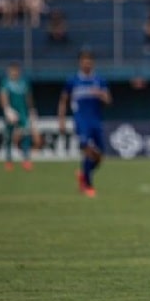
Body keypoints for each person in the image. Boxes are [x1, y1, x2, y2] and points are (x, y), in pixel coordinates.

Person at [57, 50, 112, 197]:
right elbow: (63, 101)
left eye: (89, 61)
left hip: (96, 121)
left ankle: (83, 174)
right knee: (88, 149)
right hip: (81, 121)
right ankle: (88, 185)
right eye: (84, 60)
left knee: (99, 156)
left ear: (92, 63)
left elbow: (108, 100)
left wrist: (100, 94)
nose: (87, 63)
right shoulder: (72, 80)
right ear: (80, 62)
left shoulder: (99, 80)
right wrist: (61, 120)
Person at [0, 62, 41, 171]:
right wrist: (7, 109)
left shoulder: (24, 83)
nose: (15, 73)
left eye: (16, 70)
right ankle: (8, 160)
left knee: (26, 135)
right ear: (9, 71)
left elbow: (28, 97)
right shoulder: (5, 83)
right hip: (11, 114)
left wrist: (31, 110)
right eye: (12, 70)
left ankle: (26, 160)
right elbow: (2, 96)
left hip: (23, 113)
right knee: (8, 136)